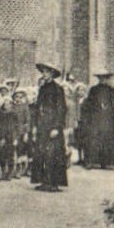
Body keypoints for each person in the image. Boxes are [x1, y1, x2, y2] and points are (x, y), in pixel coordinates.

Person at [31, 63, 68, 191]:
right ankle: (44, 181)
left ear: (52, 74)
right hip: (42, 125)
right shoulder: (42, 88)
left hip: (53, 125)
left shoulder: (58, 89)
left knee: (53, 154)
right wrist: (35, 125)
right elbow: (37, 108)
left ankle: (54, 183)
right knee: (42, 153)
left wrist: (57, 127)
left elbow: (61, 109)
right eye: (43, 72)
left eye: (47, 72)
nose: (44, 74)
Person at [78, 72, 114, 169]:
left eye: (104, 78)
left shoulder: (111, 90)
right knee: (94, 139)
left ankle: (106, 162)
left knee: (106, 139)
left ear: (107, 79)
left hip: (107, 119)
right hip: (96, 119)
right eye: (101, 78)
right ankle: (92, 161)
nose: (102, 80)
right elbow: (89, 104)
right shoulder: (94, 90)